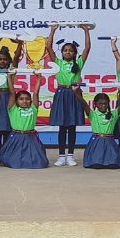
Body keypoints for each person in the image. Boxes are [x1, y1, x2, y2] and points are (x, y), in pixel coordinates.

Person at [45, 24, 92, 166]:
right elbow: (48, 47)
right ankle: (61, 156)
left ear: (75, 53)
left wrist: (86, 30)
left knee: (72, 127)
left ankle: (70, 155)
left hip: (74, 94)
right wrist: (52, 30)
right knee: (62, 127)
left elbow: (87, 48)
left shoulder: (79, 63)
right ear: (62, 52)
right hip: (61, 94)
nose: (68, 52)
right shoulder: (58, 63)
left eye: (71, 50)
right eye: (65, 50)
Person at [0, 73, 49, 169]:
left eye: (27, 99)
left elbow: (36, 93)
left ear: (30, 101)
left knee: (40, 163)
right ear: (16, 101)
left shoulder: (33, 109)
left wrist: (39, 78)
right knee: (14, 162)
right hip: (16, 137)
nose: (24, 101)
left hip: (31, 138)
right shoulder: (13, 109)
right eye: (21, 99)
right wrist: (9, 77)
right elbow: (12, 92)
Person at [74, 89, 120, 169]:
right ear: (95, 104)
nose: (103, 106)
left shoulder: (113, 114)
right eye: (101, 104)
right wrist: (76, 92)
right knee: (96, 165)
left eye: (105, 103)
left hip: (109, 142)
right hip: (97, 142)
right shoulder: (93, 114)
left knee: (113, 165)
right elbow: (84, 104)